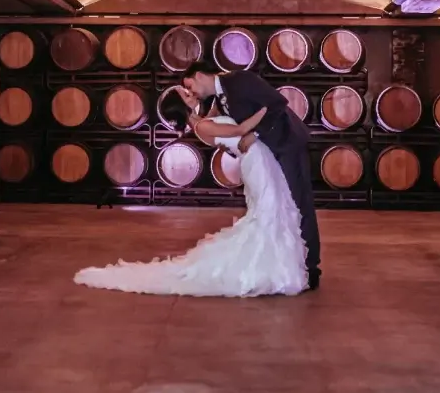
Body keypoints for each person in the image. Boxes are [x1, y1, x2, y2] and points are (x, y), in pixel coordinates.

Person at [73, 88, 309, 297]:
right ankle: (267, 270)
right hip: (256, 163)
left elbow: (221, 111)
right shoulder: (202, 126)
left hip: (260, 159)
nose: (191, 94)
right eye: (186, 96)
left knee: (273, 210)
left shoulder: (203, 121)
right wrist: (269, 110)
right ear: (182, 106)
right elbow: (240, 129)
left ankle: (272, 267)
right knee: (267, 213)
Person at [182, 63, 321, 290]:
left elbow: (277, 103)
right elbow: (209, 127)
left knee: (298, 202)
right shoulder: (219, 100)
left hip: (286, 143)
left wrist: (254, 134)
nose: (192, 92)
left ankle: (311, 267)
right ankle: (289, 262)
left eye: (190, 86)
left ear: (199, 75)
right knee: (279, 206)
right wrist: (193, 110)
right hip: (265, 154)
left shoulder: (240, 79)